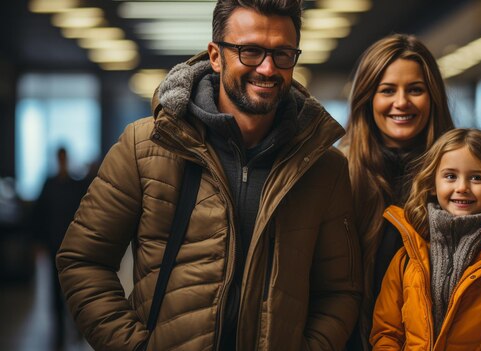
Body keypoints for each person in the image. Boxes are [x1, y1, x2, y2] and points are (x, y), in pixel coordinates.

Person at [56, 0, 362, 350]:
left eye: (283, 54)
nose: (267, 67)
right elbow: (83, 260)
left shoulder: (323, 167)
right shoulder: (146, 146)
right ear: (215, 56)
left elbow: (339, 290)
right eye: (250, 51)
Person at [370, 128, 481, 349]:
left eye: (477, 177)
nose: (462, 188)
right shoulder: (408, 257)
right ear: (431, 183)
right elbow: (386, 333)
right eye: (450, 176)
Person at [339, 33, 454, 349]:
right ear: (367, 98)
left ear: (433, 97)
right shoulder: (336, 174)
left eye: (415, 89)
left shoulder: (464, 177)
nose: (401, 102)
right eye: (387, 90)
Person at [31, 147, 84, 350]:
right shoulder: (49, 184)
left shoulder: (76, 185)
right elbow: (39, 214)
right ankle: (59, 333)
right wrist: (37, 242)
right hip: (54, 245)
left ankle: (77, 327)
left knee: (75, 290)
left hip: (73, 247)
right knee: (55, 292)